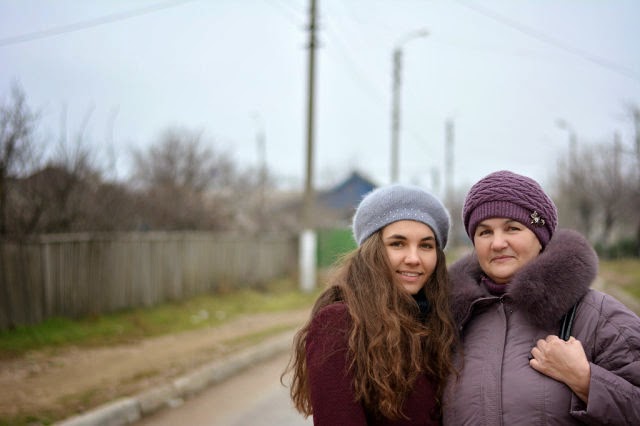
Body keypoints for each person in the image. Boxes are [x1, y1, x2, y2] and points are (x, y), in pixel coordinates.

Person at [443, 170, 640, 425]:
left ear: (540, 236)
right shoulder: (449, 320)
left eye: (512, 228)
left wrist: (586, 381)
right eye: (485, 232)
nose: (498, 243)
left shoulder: (597, 316)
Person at [284, 184, 457, 425]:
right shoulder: (339, 323)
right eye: (397, 244)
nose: (414, 258)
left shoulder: (440, 320)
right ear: (372, 251)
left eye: (426, 246)